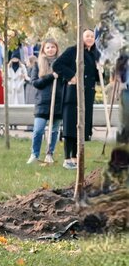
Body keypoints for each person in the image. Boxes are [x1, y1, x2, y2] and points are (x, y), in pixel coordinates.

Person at [53, 28, 100, 169]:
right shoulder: (73, 50)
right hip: (73, 95)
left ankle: (75, 158)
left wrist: (100, 70)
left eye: (92, 36)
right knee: (71, 127)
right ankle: (67, 159)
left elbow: (94, 77)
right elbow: (57, 65)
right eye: (87, 36)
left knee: (81, 127)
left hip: (87, 96)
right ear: (81, 37)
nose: (90, 38)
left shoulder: (94, 54)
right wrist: (71, 76)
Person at [28, 39, 62, 164]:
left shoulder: (61, 64)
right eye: (48, 47)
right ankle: (34, 154)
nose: (50, 49)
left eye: (53, 47)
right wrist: (51, 76)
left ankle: (49, 153)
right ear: (43, 49)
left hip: (58, 102)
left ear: (56, 48)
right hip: (42, 102)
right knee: (38, 130)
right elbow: (35, 83)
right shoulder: (38, 64)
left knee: (54, 130)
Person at [116, 54, 129, 145]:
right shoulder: (124, 59)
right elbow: (118, 72)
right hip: (126, 90)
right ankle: (123, 139)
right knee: (125, 115)